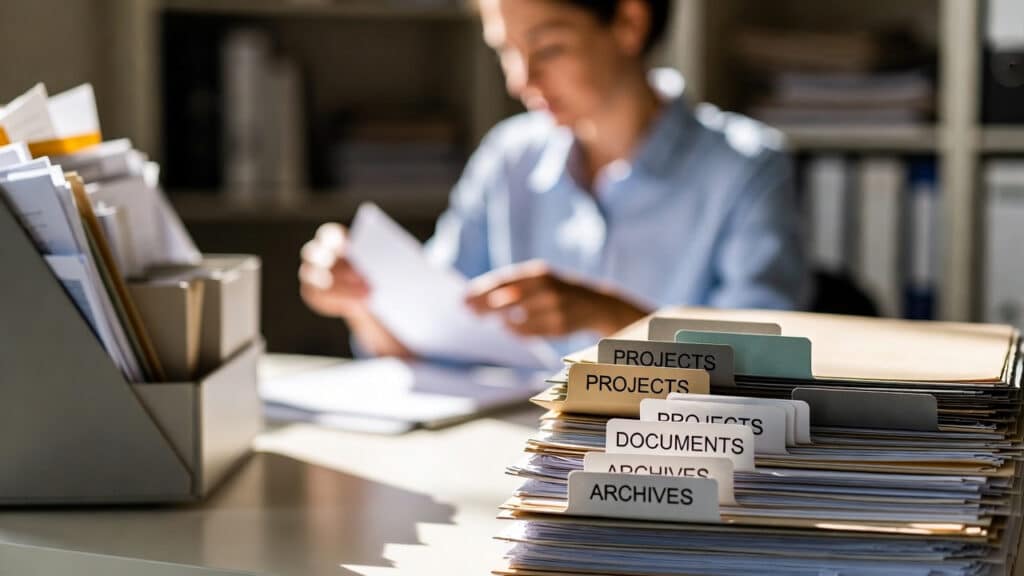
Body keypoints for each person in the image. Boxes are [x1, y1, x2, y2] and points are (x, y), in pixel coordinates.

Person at [299, 0, 809, 359]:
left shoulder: (745, 168)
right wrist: (360, 299)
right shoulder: (508, 157)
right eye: (505, 49)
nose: (520, 81)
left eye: (548, 49)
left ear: (629, 21)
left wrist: (607, 315)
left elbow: (764, 361)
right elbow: (431, 339)